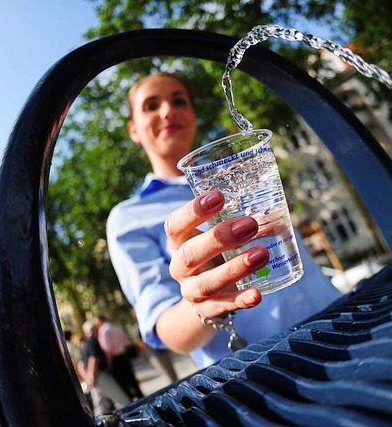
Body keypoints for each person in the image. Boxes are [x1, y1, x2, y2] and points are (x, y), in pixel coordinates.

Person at [106, 72, 340, 370]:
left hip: (343, 322)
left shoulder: (246, 175)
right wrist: (204, 300)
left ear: (193, 115)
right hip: (268, 373)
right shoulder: (128, 218)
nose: (168, 110)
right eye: (151, 106)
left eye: (179, 101)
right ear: (133, 130)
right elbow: (166, 329)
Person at [81, 320, 130, 416]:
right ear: (95, 330)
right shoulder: (92, 341)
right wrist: (93, 377)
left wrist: (89, 377)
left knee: (101, 407)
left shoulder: (86, 343)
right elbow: (93, 359)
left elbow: (83, 363)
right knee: (123, 401)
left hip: (95, 377)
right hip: (100, 376)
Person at [94, 315, 143, 401]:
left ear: (100, 321)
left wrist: (109, 363)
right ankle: (141, 397)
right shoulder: (116, 327)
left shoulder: (104, 331)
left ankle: (130, 401)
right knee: (132, 380)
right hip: (124, 356)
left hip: (115, 360)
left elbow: (107, 350)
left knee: (123, 384)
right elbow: (126, 343)